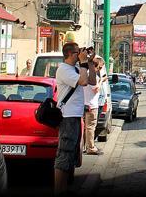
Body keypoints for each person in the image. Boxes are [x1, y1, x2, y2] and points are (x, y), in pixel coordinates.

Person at [54, 42, 90, 195]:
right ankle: (59, 190)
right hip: (67, 116)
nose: (79, 54)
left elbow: (91, 81)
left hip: (75, 115)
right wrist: (83, 63)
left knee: (71, 155)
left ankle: (65, 188)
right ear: (69, 54)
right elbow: (83, 81)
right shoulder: (64, 69)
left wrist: (90, 64)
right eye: (77, 52)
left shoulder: (74, 69)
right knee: (64, 154)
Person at [82, 57, 102, 156]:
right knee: (90, 127)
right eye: (99, 67)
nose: (99, 70)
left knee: (84, 127)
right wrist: (102, 81)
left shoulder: (85, 74)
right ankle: (91, 147)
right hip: (92, 105)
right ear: (95, 66)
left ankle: (84, 146)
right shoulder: (94, 77)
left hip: (83, 104)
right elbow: (96, 89)